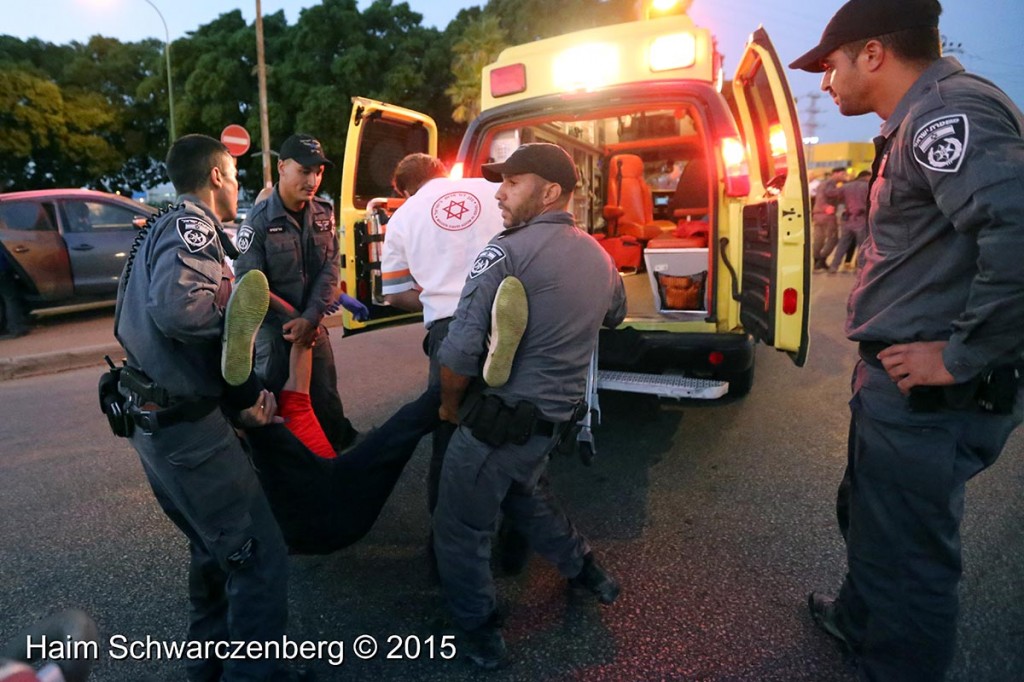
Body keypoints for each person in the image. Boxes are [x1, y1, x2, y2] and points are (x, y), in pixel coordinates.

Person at [790, 1, 1024, 679]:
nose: (827, 84)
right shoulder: (921, 118)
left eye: (831, 65)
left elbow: (1015, 236)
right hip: (895, 385)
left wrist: (961, 356)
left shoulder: (949, 114)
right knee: (870, 519)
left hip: (928, 396)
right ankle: (856, 619)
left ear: (872, 53)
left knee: (910, 564)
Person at [113, 134, 301, 681]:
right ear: (219, 175)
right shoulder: (189, 224)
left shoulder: (155, 223)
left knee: (214, 550)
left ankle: (209, 665)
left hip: (155, 420)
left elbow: (129, 319)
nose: (237, 183)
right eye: (235, 174)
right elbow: (182, 310)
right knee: (258, 556)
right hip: (189, 431)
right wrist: (239, 375)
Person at [432, 143, 627, 669]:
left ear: (551, 191)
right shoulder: (599, 256)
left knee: (460, 528)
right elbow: (616, 313)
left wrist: (451, 407)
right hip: (552, 423)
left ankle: (479, 631)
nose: (499, 192)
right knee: (528, 497)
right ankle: (588, 572)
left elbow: (458, 352)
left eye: (513, 182)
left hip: (496, 424)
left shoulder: (507, 250)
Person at [220, 270, 441, 556]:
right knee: (402, 428)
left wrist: (301, 315)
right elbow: (302, 342)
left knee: (261, 431)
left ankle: (238, 376)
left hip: (295, 524)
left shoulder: (267, 420)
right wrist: (300, 314)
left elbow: (302, 342)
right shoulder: (289, 404)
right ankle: (453, 387)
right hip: (337, 507)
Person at [380, 153, 505, 518]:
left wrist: (435, 302)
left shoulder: (402, 217)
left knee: (449, 431)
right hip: (506, 319)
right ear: (442, 172)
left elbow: (393, 293)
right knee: (513, 427)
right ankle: (517, 543)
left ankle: (443, 548)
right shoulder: (492, 188)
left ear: (405, 190)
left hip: (449, 331)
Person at [233, 133, 358, 451]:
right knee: (277, 411)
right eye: (305, 170)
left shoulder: (323, 213)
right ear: (282, 167)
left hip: (312, 327)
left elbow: (330, 269)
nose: (313, 179)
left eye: (318, 171)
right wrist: (296, 319)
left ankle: (336, 466)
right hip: (276, 334)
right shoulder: (258, 222)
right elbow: (250, 281)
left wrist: (311, 318)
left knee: (326, 400)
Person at [827, 169, 871, 274]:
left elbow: (831, 193)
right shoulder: (868, 187)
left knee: (842, 245)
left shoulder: (847, 186)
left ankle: (834, 266)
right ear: (866, 177)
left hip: (848, 219)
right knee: (862, 246)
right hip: (861, 219)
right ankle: (861, 269)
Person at [811, 167, 847, 271]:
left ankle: (816, 261)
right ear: (835, 173)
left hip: (817, 214)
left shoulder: (821, 183)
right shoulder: (831, 183)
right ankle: (821, 260)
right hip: (827, 214)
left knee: (819, 239)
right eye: (843, 174)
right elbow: (830, 193)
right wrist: (844, 189)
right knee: (833, 239)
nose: (844, 177)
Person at [0, 246, 29, 339]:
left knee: (3, 300)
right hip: (2, 271)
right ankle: (15, 327)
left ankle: (4, 328)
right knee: (11, 299)